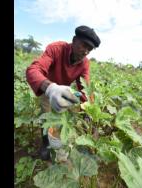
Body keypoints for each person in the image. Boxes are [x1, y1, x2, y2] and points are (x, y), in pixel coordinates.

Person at [26, 25, 101, 160]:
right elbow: (33, 70)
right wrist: (51, 88)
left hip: (65, 90)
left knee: (68, 117)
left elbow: (85, 87)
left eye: (89, 49)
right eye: (83, 45)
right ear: (74, 40)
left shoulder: (84, 63)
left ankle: (62, 140)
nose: (85, 51)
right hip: (47, 88)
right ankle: (45, 144)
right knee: (46, 116)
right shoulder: (56, 49)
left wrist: (89, 112)